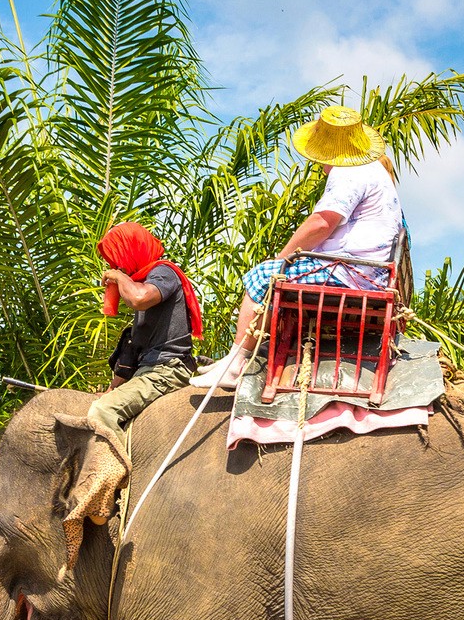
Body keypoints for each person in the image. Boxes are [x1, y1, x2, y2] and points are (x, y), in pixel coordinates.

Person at [193, 105, 404, 388]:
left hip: (347, 271)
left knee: (262, 275)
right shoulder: (376, 171)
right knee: (273, 272)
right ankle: (236, 358)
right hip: (369, 273)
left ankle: (235, 363)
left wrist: (283, 258)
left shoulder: (349, 170)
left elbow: (322, 223)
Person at [85, 220, 203, 457]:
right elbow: (135, 347)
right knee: (104, 403)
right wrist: (112, 389)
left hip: (167, 369)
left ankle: (117, 474)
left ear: (132, 251)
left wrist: (119, 277)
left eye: (118, 259)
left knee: (103, 412)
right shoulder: (144, 281)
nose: (116, 266)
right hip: (148, 370)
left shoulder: (164, 273)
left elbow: (138, 298)